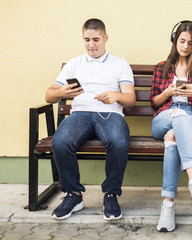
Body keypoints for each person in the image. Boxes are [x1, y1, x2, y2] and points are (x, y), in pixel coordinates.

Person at [45, 18, 136, 221]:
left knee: (119, 141)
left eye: (95, 39)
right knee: (60, 141)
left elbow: (130, 99)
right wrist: (62, 91)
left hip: (110, 113)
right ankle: (73, 195)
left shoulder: (120, 64)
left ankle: (111, 194)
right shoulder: (73, 64)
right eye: (86, 39)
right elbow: (49, 95)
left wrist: (116, 96)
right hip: (80, 114)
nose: (91, 45)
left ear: (105, 38)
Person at [150, 20, 192, 232]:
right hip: (164, 115)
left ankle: (167, 206)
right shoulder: (162, 68)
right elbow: (154, 103)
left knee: (172, 136)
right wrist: (168, 93)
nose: (185, 46)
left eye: (190, 43)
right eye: (182, 41)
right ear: (174, 41)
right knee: (176, 116)